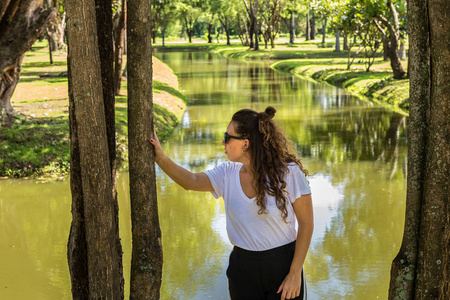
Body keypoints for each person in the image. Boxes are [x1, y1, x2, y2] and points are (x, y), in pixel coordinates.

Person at [149, 106, 313, 300]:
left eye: (228, 137)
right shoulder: (227, 173)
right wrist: (160, 157)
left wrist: (295, 274)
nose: (223, 142)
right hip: (242, 270)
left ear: (245, 143)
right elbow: (191, 181)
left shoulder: (289, 173)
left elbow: (306, 224)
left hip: (284, 267)